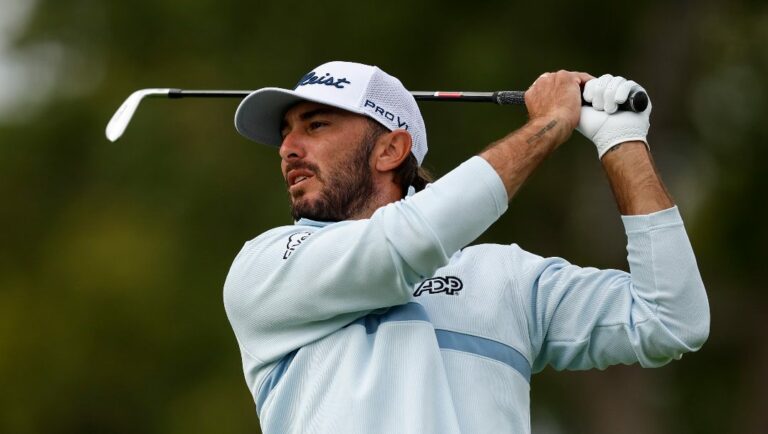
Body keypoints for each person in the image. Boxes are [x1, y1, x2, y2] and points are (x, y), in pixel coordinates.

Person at [223, 61, 709, 434]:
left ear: (390, 150)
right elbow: (403, 243)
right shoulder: (265, 266)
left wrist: (621, 141)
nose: (288, 148)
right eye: (285, 133)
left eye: (315, 126)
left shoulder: (504, 276)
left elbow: (670, 318)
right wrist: (548, 125)